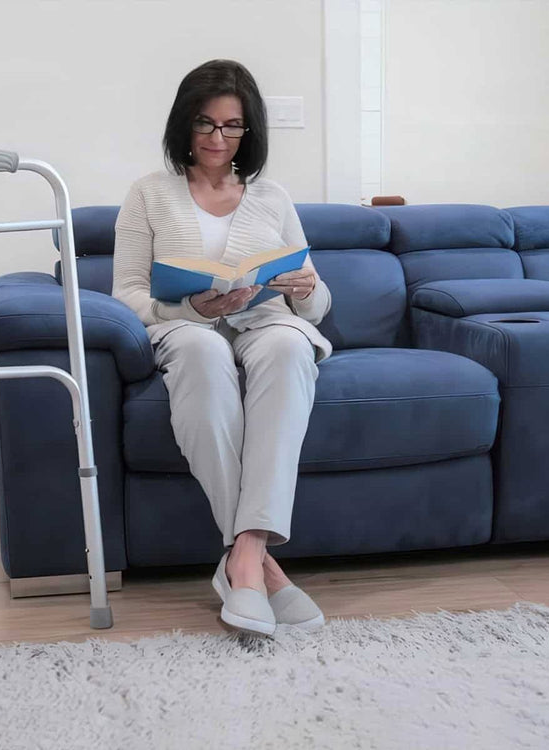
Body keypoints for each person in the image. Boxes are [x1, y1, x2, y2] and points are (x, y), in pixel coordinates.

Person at [111, 60, 332, 637]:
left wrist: (308, 289)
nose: (217, 139)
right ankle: (262, 569)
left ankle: (244, 556)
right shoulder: (147, 194)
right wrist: (191, 310)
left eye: (232, 127)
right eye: (205, 124)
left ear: (249, 131)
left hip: (266, 322)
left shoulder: (272, 196)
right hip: (188, 328)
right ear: (183, 125)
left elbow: (314, 295)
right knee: (205, 356)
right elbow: (127, 294)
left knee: (290, 351)